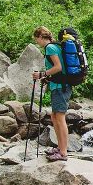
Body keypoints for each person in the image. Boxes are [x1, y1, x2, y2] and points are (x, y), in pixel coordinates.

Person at [32, 26, 71, 162]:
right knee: (55, 117)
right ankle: (60, 148)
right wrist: (47, 78)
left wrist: (42, 74)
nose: (37, 42)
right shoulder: (55, 46)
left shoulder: (50, 48)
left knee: (59, 117)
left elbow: (58, 67)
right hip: (59, 85)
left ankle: (63, 152)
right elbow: (59, 69)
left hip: (61, 87)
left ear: (40, 37)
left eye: (36, 39)